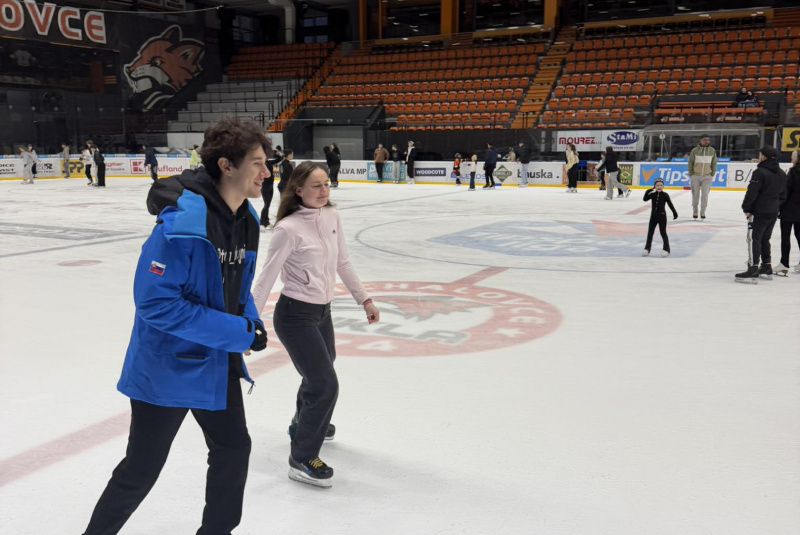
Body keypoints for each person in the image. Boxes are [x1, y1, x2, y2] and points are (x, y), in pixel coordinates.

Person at [79, 117, 271, 535]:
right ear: (227, 166)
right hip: (166, 368)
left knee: (233, 448)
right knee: (142, 470)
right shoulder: (179, 228)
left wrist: (251, 320)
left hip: (215, 364)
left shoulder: (246, 219)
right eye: (257, 162)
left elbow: (238, 284)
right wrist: (239, 333)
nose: (267, 172)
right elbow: (158, 305)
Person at [251, 161, 380, 488]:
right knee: (324, 384)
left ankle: (302, 422)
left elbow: (342, 262)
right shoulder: (287, 229)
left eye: (326, 185)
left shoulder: (332, 217)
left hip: (322, 312)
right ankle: (301, 458)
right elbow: (265, 279)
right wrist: (249, 321)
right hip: (294, 315)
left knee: (320, 373)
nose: (324, 191)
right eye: (316, 186)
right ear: (298, 190)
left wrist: (364, 299)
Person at [735, 145, 787, 283]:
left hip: (759, 211)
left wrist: (746, 208)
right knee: (765, 238)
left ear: (763, 156)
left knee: (754, 239)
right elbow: (783, 194)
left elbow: (752, 192)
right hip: (773, 210)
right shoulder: (781, 172)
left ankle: (753, 268)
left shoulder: (760, 172)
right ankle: (766, 266)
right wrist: (775, 206)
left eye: (760, 155)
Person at [775, 150, 800, 276]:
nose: (791, 159)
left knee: (785, 237)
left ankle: (784, 264)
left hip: (790, 210)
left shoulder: (793, 172)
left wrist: (780, 208)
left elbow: (786, 192)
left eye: (793, 157)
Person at [642, 178, 678, 257]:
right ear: (654, 186)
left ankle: (666, 249)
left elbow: (670, 204)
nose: (659, 187)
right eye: (657, 185)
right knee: (650, 233)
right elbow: (645, 199)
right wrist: (647, 192)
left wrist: (674, 212)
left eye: (661, 185)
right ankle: (647, 248)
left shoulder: (665, 195)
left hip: (662, 216)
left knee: (663, 233)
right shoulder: (652, 194)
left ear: (663, 186)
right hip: (653, 217)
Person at [687, 134, 717, 220]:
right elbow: (690, 162)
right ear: (700, 141)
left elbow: (714, 162)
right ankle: (695, 210)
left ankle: (703, 211)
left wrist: (712, 173)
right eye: (705, 140)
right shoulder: (695, 150)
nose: (706, 141)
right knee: (695, 195)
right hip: (695, 176)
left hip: (707, 176)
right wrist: (691, 173)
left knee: (705, 195)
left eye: (708, 139)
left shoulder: (712, 150)